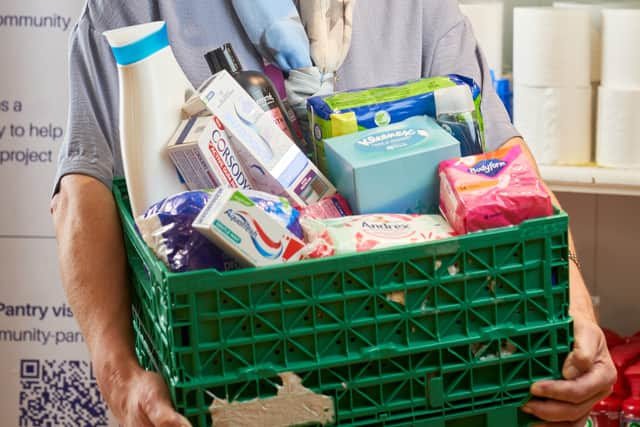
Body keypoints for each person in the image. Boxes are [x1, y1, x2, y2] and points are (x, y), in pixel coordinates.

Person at [51, 1, 616, 426]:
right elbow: (84, 190)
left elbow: (505, 164)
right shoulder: (131, 9)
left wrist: (579, 314)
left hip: (415, 365)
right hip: (231, 368)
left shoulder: (417, 9)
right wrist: (119, 377)